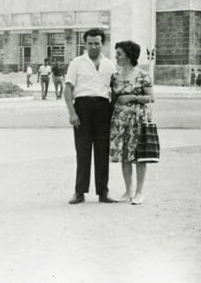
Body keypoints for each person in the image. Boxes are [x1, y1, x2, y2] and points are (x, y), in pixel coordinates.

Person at [64, 28, 117, 204]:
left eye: (97, 43)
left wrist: (114, 113)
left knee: (102, 151)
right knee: (83, 151)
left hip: (103, 108)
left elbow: (114, 91)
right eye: (90, 43)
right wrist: (72, 113)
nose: (93, 46)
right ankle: (79, 192)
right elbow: (68, 88)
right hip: (82, 107)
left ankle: (103, 192)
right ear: (85, 44)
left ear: (103, 44)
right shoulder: (76, 63)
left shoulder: (110, 65)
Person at [109, 40, 155, 205]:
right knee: (124, 155)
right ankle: (128, 190)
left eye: (119, 53)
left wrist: (132, 97)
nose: (116, 56)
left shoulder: (143, 75)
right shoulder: (115, 76)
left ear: (129, 55)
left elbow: (151, 98)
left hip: (137, 119)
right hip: (120, 120)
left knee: (138, 156)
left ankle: (139, 192)